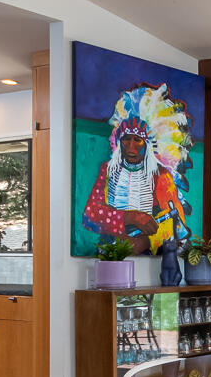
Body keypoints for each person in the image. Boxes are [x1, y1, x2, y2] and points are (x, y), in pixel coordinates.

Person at [82, 83, 193, 254]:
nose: (130, 147)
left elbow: (175, 222)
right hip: (109, 251)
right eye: (126, 140)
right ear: (119, 142)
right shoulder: (108, 170)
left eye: (137, 140)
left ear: (147, 144)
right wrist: (129, 217)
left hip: (146, 254)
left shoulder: (160, 175)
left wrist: (147, 241)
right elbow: (90, 216)